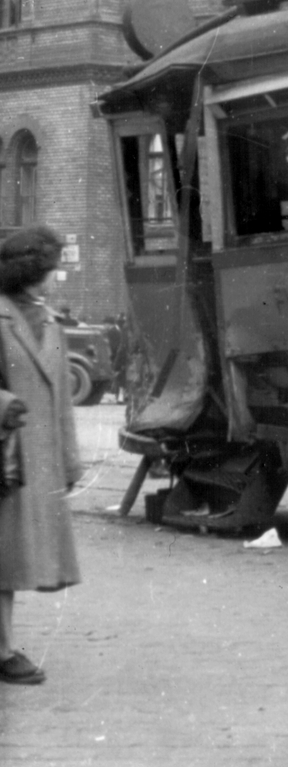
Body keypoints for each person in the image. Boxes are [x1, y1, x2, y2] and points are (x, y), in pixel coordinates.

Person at [0, 226, 82, 686]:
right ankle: (3, 651)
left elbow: (62, 404)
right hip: (5, 456)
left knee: (10, 558)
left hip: (36, 463)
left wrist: (69, 462)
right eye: (51, 268)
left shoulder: (50, 321)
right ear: (32, 270)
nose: (55, 276)